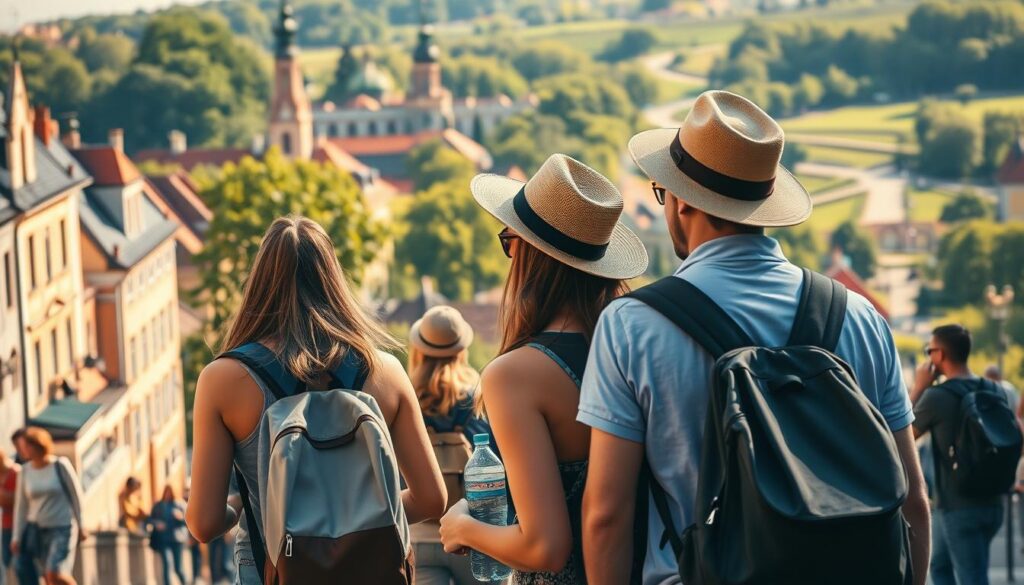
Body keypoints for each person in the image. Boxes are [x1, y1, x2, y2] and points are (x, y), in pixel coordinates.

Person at [577, 90, 930, 585]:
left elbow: (607, 516)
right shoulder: (861, 316)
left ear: (680, 203)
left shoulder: (631, 325)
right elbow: (912, 499)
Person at [186, 215, 447, 584]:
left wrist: (250, 514)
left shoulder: (223, 379)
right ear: (334, 279)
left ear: (260, 282)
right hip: (368, 570)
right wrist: (352, 528)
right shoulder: (384, 370)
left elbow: (204, 523)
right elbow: (432, 499)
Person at [439, 154, 649, 584]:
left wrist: (462, 526)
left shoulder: (516, 374)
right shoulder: (639, 348)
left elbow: (546, 547)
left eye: (509, 242)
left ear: (531, 256)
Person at [913, 325, 1007, 585]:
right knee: (939, 565)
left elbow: (904, 436)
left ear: (940, 355)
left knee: (972, 578)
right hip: (992, 501)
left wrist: (919, 388)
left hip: (959, 506)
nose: (927, 357)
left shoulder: (935, 396)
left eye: (929, 350)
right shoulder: (993, 389)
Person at [407, 305, 490, 585]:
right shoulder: (478, 396)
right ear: (462, 350)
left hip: (420, 537)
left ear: (419, 349)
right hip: (478, 535)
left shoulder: (405, 397)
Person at [10, 427, 87, 585]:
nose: (23, 450)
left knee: (54, 572)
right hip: (36, 529)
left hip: (62, 527)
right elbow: (21, 507)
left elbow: (76, 496)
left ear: (38, 445)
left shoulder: (60, 465)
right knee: (45, 576)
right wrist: (16, 536)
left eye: (27, 446)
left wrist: (82, 524)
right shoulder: (24, 471)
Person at [8, 431, 36, 585]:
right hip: (21, 525)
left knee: (51, 569)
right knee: (19, 564)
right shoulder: (20, 466)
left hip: (45, 524)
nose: (20, 449)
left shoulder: (52, 464)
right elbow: (20, 505)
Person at [149, 485, 189, 585]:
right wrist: (156, 523)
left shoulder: (180, 505)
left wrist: (180, 517)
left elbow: (189, 522)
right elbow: (149, 519)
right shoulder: (158, 505)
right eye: (166, 492)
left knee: (178, 568)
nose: (167, 494)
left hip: (177, 540)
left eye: (169, 492)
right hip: (163, 540)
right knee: (167, 564)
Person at [0, 450, 19, 585]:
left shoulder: (16, 472)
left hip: (19, 525)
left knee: (20, 564)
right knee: (5, 563)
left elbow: (18, 500)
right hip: (4, 526)